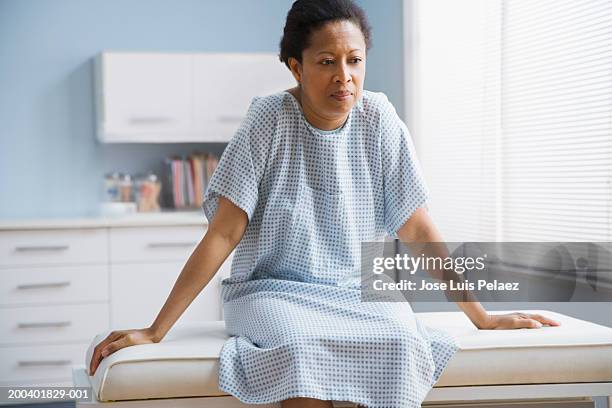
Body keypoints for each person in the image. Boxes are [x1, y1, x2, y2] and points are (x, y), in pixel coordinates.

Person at [88, 1, 561, 407]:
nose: (344, 77)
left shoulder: (379, 120)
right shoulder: (267, 120)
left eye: (354, 61)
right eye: (326, 62)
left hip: (357, 290)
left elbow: (416, 229)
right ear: (295, 66)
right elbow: (224, 234)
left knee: (398, 342)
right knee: (301, 347)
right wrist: (155, 331)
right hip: (273, 291)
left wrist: (481, 315)